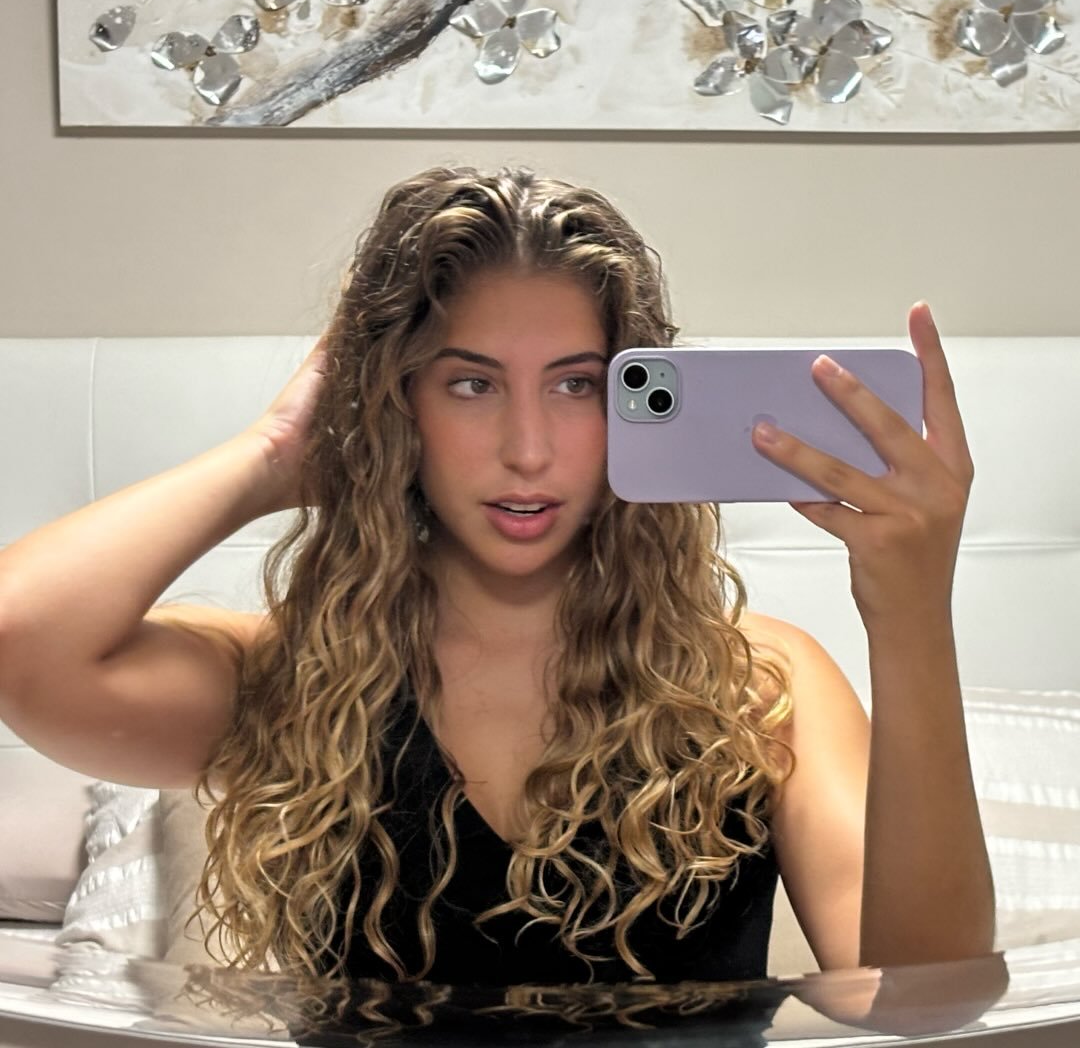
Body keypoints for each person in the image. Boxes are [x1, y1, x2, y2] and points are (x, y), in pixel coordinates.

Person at [0, 165, 994, 989]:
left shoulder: (761, 688)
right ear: (399, 404)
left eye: (576, 385)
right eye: (471, 384)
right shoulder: (294, 676)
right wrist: (272, 456)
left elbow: (924, 992)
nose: (527, 449)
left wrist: (911, 611)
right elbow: (20, 639)